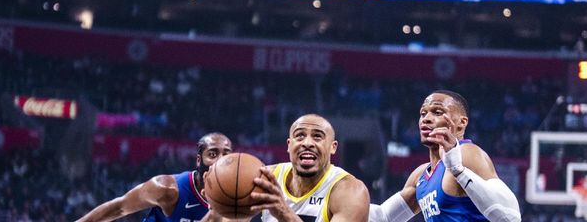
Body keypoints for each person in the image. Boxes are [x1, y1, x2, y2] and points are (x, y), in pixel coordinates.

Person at [369, 91, 520, 222]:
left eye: (437, 112)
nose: (426, 119)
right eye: (423, 113)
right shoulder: (420, 176)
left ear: (461, 123)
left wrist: (458, 171)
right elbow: (383, 217)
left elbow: (510, 217)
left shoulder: (468, 153)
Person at [205, 113, 370, 222]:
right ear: (289, 146)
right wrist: (218, 210)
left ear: (333, 147)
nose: (307, 143)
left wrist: (283, 212)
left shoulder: (350, 191)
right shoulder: (265, 177)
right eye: (300, 136)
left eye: (317, 137)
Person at [77, 132, 233, 222]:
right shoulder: (167, 189)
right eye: (212, 154)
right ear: (198, 160)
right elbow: (119, 207)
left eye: (226, 155)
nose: (220, 160)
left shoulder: (235, 199)